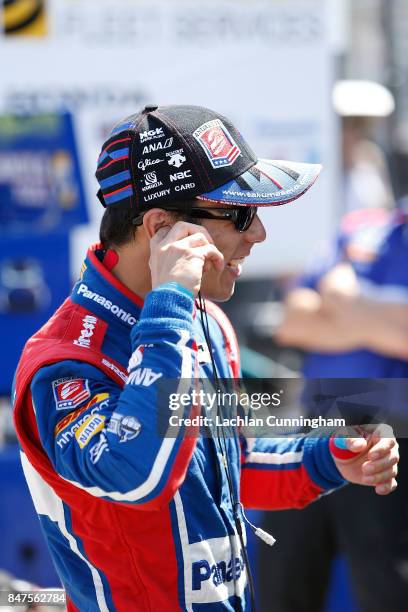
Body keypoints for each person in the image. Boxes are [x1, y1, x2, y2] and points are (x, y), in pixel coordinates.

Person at [13, 105, 399, 611]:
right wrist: (169, 301)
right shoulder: (63, 360)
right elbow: (137, 475)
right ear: (160, 228)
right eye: (239, 214)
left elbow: (228, 458)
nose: (258, 233)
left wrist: (328, 460)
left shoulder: (206, 321)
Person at [258, 203, 408, 612]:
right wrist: (380, 315)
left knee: (385, 587)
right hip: (318, 425)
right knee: (280, 578)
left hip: (395, 434)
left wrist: (343, 301)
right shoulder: (362, 225)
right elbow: (294, 320)